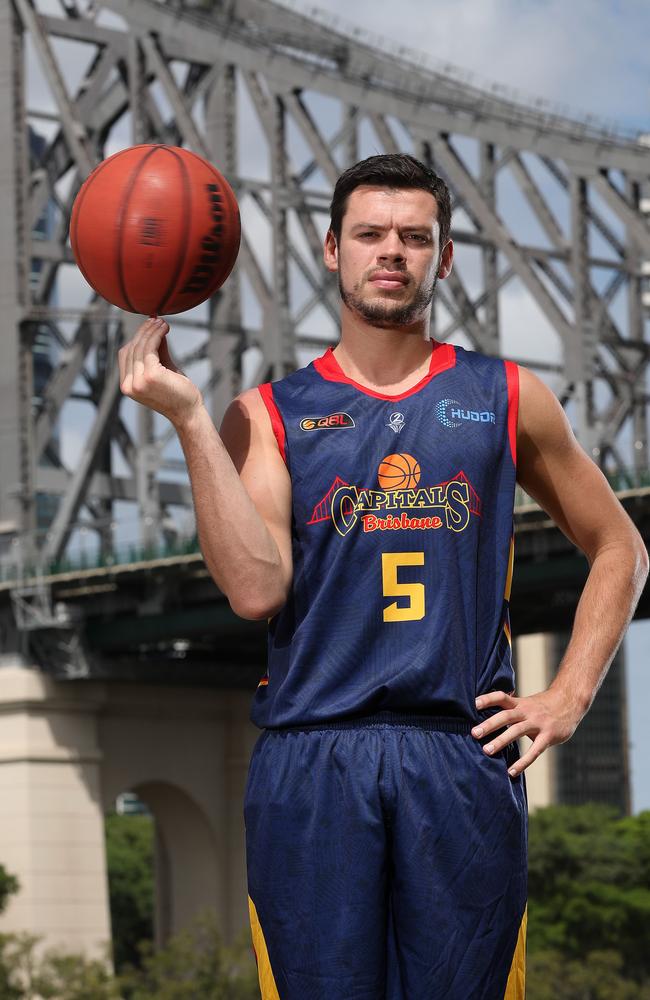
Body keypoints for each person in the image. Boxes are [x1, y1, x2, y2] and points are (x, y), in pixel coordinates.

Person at [118, 154, 648, 999]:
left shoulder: (508, 395)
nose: (390, 251)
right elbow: (256, 589)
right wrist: (189, 420)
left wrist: (569, 696)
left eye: (414, 237)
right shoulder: (265, 414)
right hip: (312, 758)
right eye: (370, 234)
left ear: (442, 259)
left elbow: (622, 546)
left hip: (460, 758)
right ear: (332, 250)